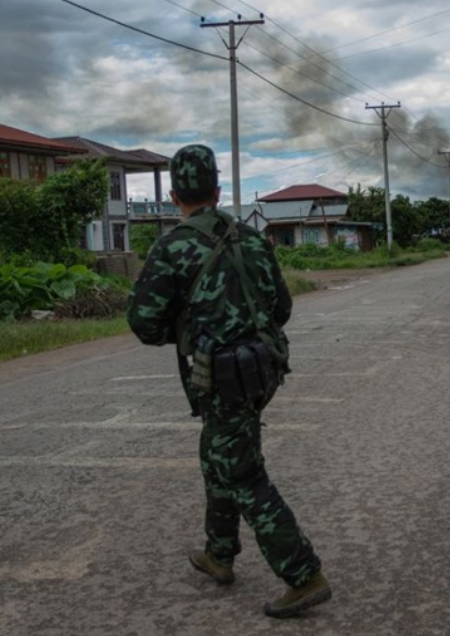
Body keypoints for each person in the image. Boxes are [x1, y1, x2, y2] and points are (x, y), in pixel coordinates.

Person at [126, 144, 330, 619]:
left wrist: (188, 325)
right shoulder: (253, 239)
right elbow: (281, 309)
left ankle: (303, 575)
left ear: (175, 195)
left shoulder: (171, 246)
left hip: (222, 379)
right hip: (263, 370)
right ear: (217, 191)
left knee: (241, 472)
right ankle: (219, 554)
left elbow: (144, 325)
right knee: (217, 454)